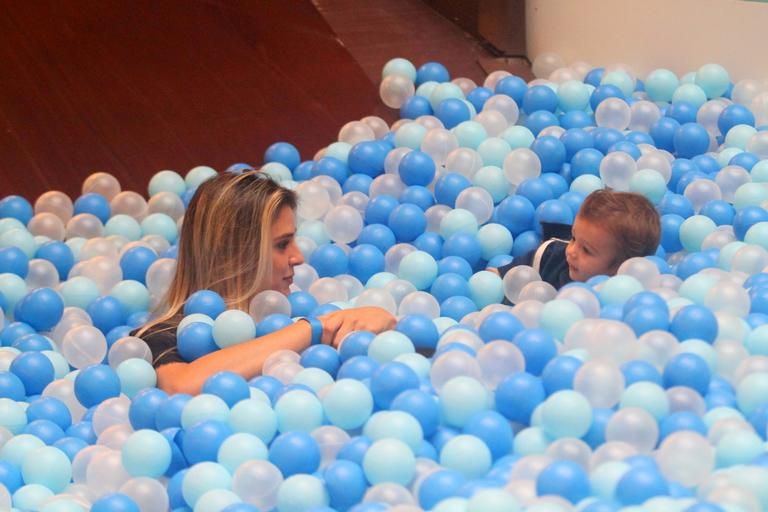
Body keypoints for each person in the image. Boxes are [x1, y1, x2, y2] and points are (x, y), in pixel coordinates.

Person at [135, 171, 395, 395]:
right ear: (234, 254)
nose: (299, 257)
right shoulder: (161, 337)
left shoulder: (297, 315)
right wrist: (315, 330)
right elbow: (182, 387)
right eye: (282, 244)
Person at [495, 189, 661, 293]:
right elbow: (497, 277)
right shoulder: (550, 257)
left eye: (587, 250)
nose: (572, 251)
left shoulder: (619, 297)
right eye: (574, 238)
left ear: (619, 269)